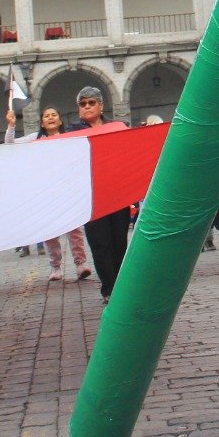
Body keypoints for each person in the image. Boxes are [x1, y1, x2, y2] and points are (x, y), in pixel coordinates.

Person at [4, 108, 91, 283]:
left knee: (75, 231)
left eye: (54, 115)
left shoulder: (70, 137)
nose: (50, 118)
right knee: (50, 233)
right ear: (42, 122)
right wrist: (12, 125)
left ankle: (81, 264)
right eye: (46, 116)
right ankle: (55, 267)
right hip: (46, 194)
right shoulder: (35, 138)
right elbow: (10, 143)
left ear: (60, 121)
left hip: (67, 191)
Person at [69, 88, 132, 303]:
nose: (87, 106)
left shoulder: (116, 128)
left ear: (101, 106)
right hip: (91, 197)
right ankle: (109, 288)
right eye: (83, 103)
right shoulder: (73, 133)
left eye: (91, 102)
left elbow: (128, 156)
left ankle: (122, 285)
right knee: (100, 244)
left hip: (117, 194)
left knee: (119, 241)